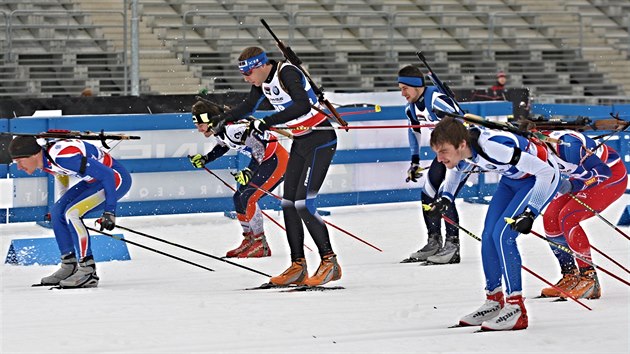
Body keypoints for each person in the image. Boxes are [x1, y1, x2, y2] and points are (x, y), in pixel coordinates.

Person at [209, 46, 341, 286]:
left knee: (303, 203)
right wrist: (223, 119)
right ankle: (298, 266)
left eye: (248, 74)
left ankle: (329, 262)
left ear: (260, 66)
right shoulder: (262, 81)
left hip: (321, 139)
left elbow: (301, 105)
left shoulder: (286, 73)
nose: (246, 79)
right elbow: (249, 107)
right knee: (288, 203)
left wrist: (267, 122)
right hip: (301, 141)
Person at [429, 117, 559, 331]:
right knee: (489, 236)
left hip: (537, 180)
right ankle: (495, 300)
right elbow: (455, 170)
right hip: (511, 181)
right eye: (436, 152)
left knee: (503, 236)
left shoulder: (494, 148)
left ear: (461, 145)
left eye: (443, 151)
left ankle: (516, 308)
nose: (439, 158)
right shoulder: (463, 150)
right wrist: (446, 198)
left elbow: (547, 172)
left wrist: (531, 212)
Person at [9, 135, 132, 288]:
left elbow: (107, 174)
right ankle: (69, 265)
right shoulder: (45, 159)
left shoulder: (64, 157)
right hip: (93, 180)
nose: (19, 167)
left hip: (115, 179)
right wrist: (60, 207)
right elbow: (61, 174)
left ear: (34, 155)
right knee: (57, 213)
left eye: (20, 161)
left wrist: (110, 212)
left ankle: (88, 270)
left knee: (72, 214)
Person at [188, 99, 288, 258]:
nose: (199, 130)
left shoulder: (233, 128)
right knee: (239, 198)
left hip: (277, 161)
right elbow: (223, 145)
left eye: (200, 125)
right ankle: (250, 240)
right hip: (264, 161)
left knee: (249, 198)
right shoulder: (220, 129)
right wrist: (206, 159)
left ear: (211, 120)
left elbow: (259, 147)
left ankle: (261, 244)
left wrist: (249, 170)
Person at [538, 129, 627, 299]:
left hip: (610, 177)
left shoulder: (568, 146)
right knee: (550, 217)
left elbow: (603, 172)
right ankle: (570, 275)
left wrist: (574, 185)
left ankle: (589, 279)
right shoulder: (532, 151)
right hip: (583, 176)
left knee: (568, 217)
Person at [398, 64, 465, 264]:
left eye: (404, 88)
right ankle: (434, 241)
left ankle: (452, 246)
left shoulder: (437, 100)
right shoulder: (411, 108)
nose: (402, 93)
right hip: (443, 156)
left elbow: (460, 122)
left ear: (416, 85)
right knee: (428, 194)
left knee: (445, 194)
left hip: (460, 155)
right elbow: (414, 132)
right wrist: (414, 161)